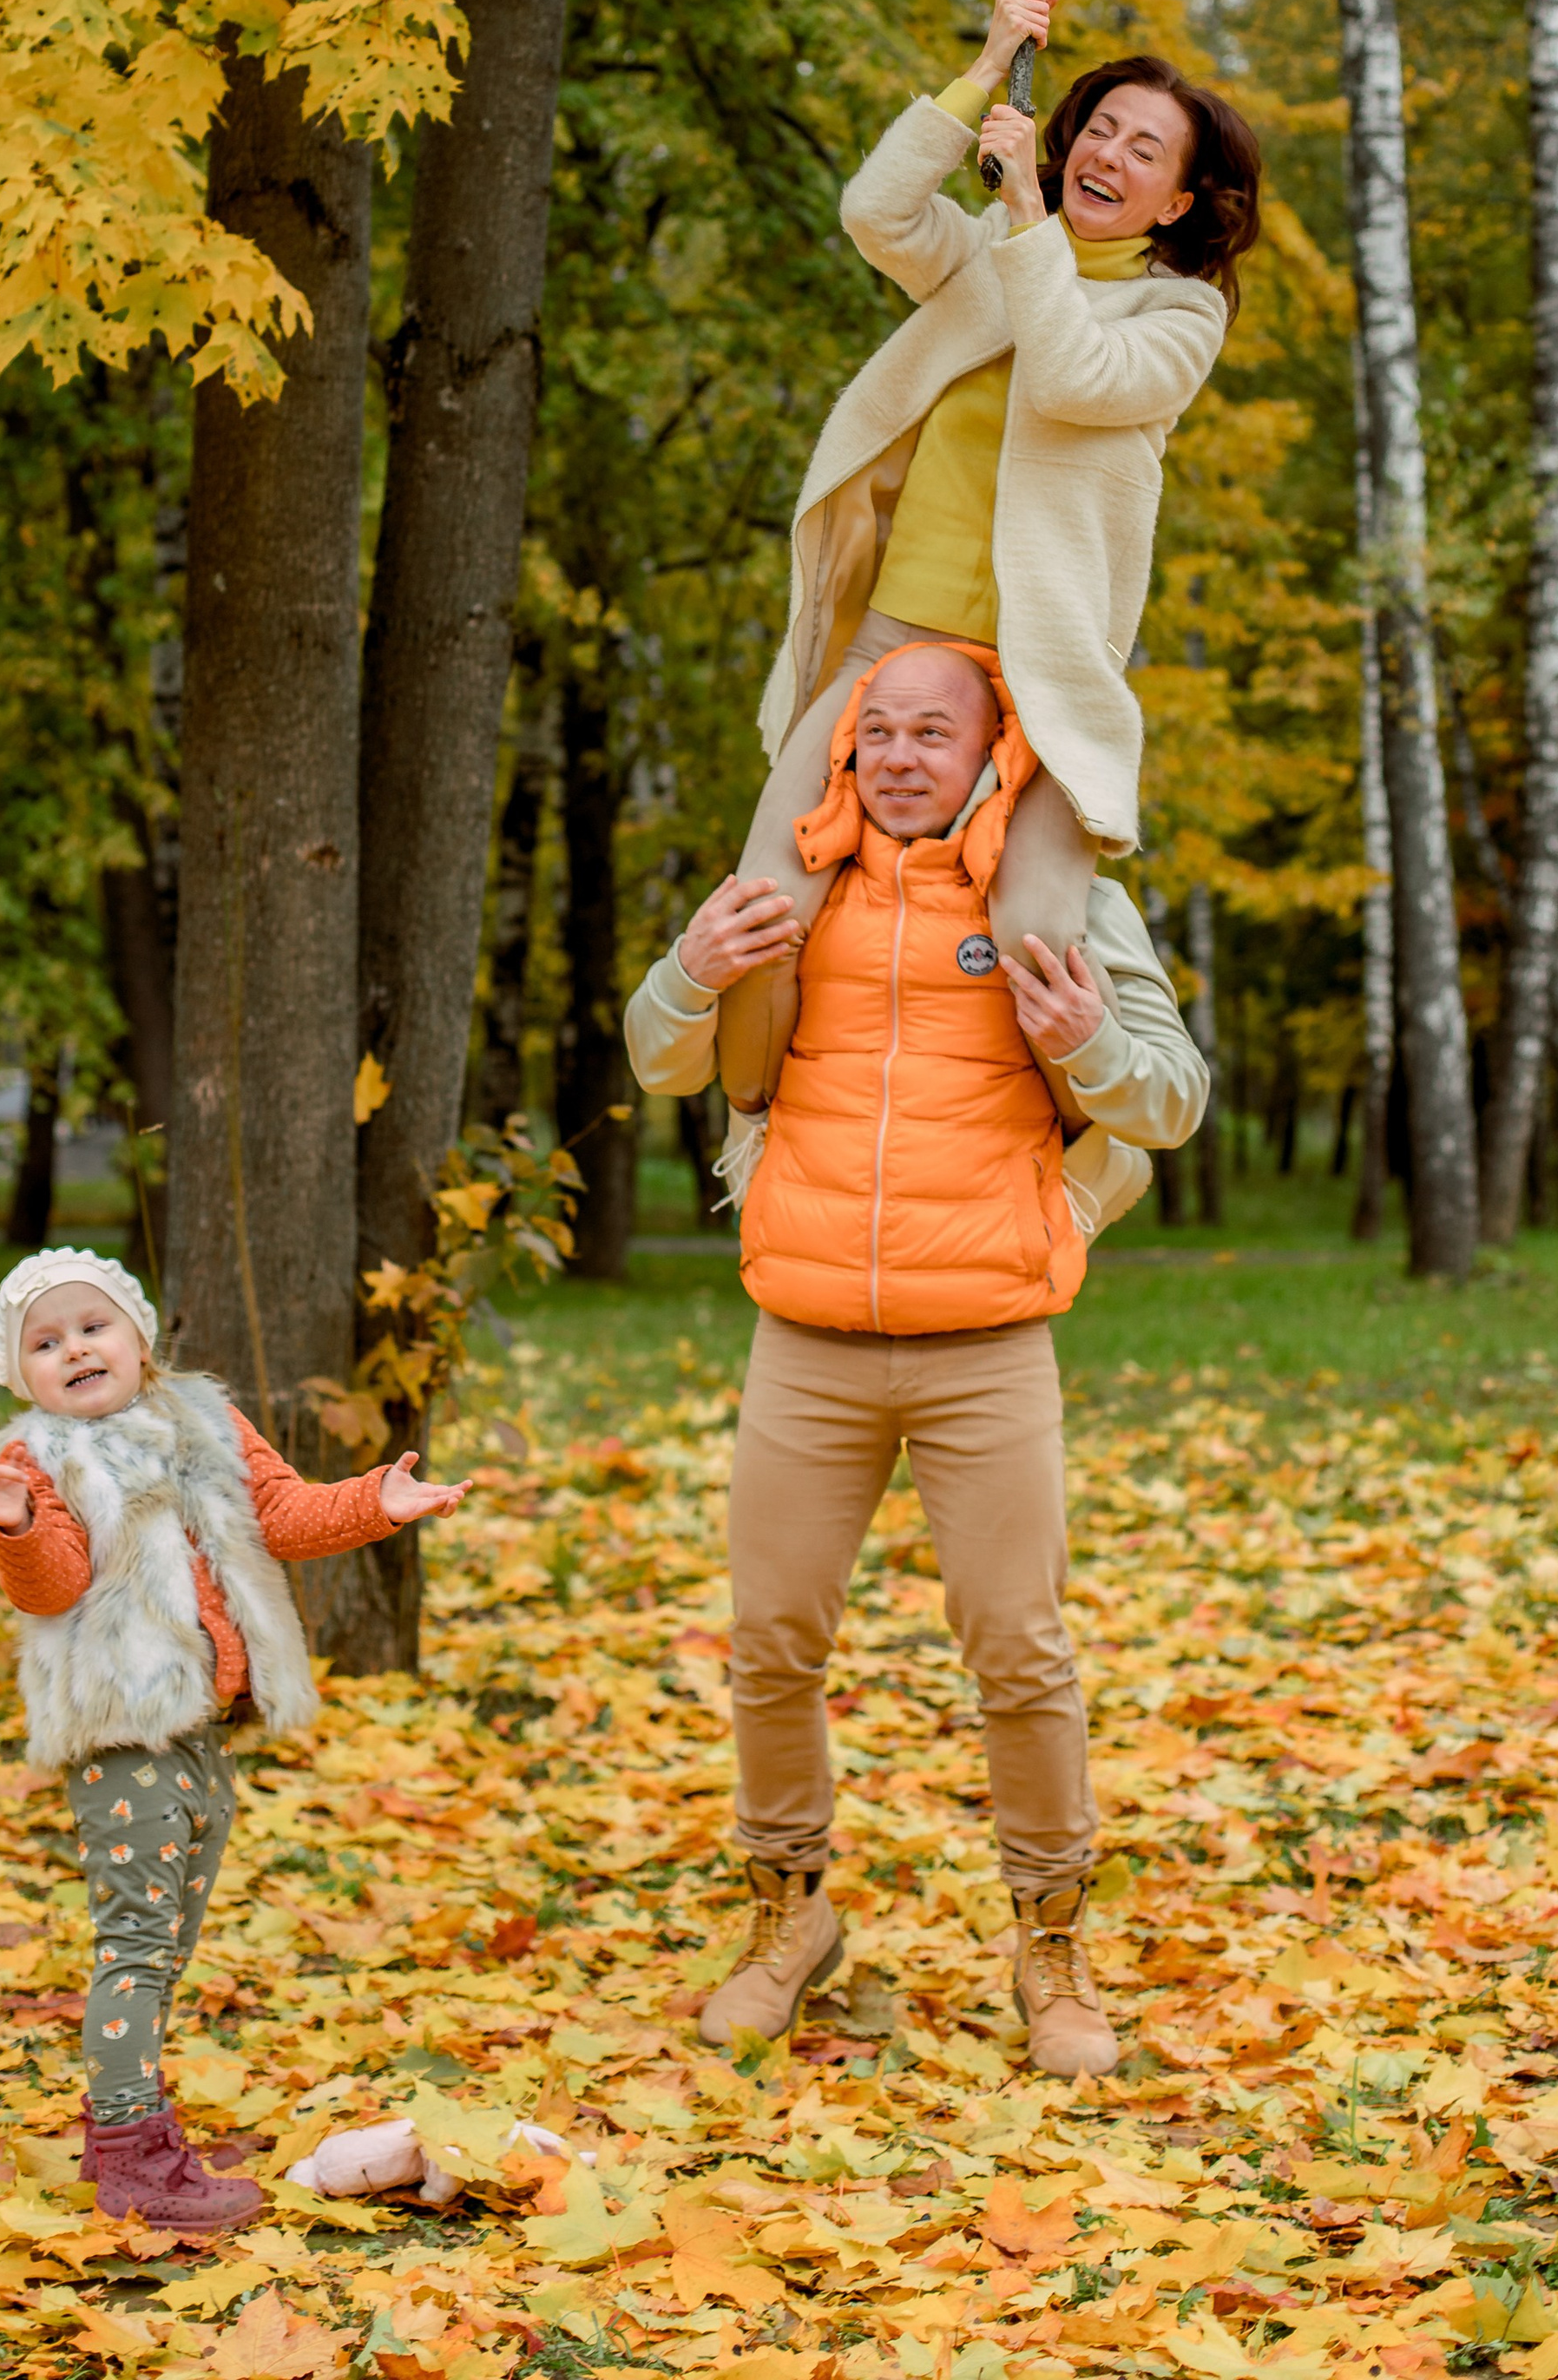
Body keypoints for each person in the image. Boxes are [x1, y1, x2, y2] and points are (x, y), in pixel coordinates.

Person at [625, 641, 1208, 2078]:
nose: (896, 756)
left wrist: (1092, 1048)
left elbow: (1174, 1101)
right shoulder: (792, 888)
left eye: (930, 733)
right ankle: (791, 1917)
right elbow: (656, 1056)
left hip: (986, 1348)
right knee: (771, 1644)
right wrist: (692, 974)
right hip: (807, 1342)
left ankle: (1052, 1945)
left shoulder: (1069, 901)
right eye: (873, 731)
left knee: (1021, 1653)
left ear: (994, 749)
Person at [718, 0, 1259, 1123]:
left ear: (1176, 202)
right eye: (1099, 128)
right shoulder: (989, 255)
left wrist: (1025, 215)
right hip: (892, 644)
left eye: (1144, 149)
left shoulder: (1178, 316)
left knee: (1034, 936)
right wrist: (985, 63)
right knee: (765, 903)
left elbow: (1070, 377)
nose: (1108, 154)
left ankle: (1080, 1155)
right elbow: (877, 213)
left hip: (1037, 674)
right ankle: (767, 1140)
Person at [0, 1246, 470, 2232]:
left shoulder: (206, 1422)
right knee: (137, 1945)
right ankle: (131, 2155)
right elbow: (54, 1585)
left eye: (93, 1327)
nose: (75, 1350)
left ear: (140, 1338)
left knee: (170, 1939)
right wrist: (16, 1526)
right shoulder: (39, 1462)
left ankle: (131, 2116)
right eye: (45, 1344)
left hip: (202, 1730)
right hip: (123, 1732)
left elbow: (280, 1514)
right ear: (21, 1375)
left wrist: (376, 1503)